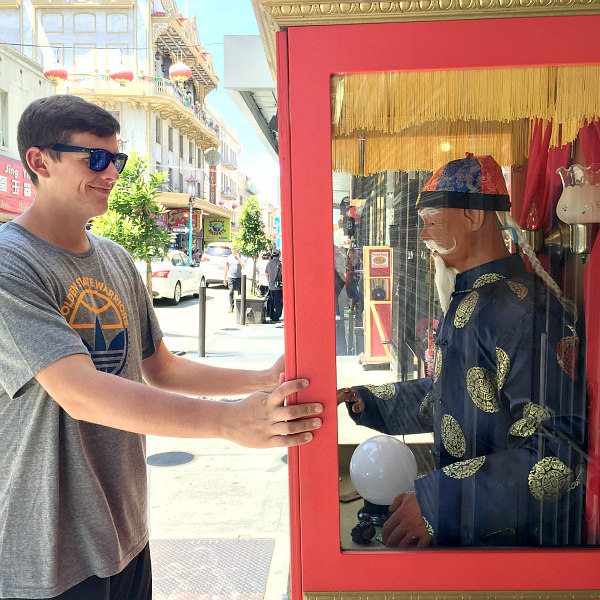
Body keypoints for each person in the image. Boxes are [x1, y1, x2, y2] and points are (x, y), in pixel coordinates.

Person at [0, 94, 323, 599]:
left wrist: (264, 378)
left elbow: (161, 368)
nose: (111, 173)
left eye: (118, 159)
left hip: (125, 533)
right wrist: (226, 421)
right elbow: (79, 391)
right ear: (40, 161)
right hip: (49, 554)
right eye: (96, 159)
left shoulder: (115, 259)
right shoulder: (11, 265)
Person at [339, 153, 586, 549]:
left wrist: (440, 501)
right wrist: (369, 401)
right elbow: (452, 394)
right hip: (468, 536)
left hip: (514, 548)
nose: (422, 236)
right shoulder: (476, 297)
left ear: (472, 216)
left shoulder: (525, 311)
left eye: (430, 221)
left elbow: (558, 453)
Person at [223, 246, 243, 313]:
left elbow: (243, 265)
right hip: (231, 277)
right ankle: (231, 306)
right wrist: (224, 279)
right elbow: (226, 269)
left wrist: (238, 258)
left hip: (239, 277)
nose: (232, 250)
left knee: (240, 292)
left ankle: (240, 306)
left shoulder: (240, 256)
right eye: (231, 249)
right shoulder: (228, 258)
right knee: (231, 291)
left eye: (234, 249)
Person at [265, 249, 283, 323]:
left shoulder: (269, 263)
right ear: (279, 255)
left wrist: (269, 281)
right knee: (278, 301)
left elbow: (266, 273)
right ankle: (276, 316)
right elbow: (283, 273)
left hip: (271, 285)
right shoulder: (280, 264)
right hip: (278, 286)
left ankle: (271, 315)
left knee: (272, 301)